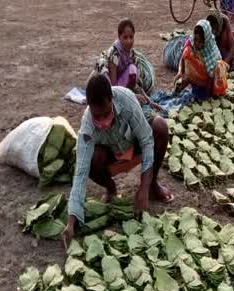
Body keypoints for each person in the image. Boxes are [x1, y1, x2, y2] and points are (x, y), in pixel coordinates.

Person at [62, 74, 173, 245]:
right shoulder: (87, 126)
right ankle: (111, 188)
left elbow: (146, 140)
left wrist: (143, 188)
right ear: (89, 106)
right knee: (89, 157)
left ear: (111, 100)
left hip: (133, 141)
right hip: (111, 150)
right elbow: (81, 173)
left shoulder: (127, 100)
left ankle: (153, 185)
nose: (102, 121)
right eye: (96, 116)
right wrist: (71, 220)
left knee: (160, 127)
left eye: (105, 114)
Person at [174, 18, 227, 98]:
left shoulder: (212, 52)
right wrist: (181, 73)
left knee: (201, 96)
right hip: (200, 75)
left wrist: (209, 96)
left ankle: (209, 91)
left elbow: (211, 77)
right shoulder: (191, 42)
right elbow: (183, 56)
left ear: (206, 40)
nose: (197, 43)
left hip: (210, 82)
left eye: (200, 41)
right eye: (196, 40)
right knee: (188, 51)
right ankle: (190, 80)